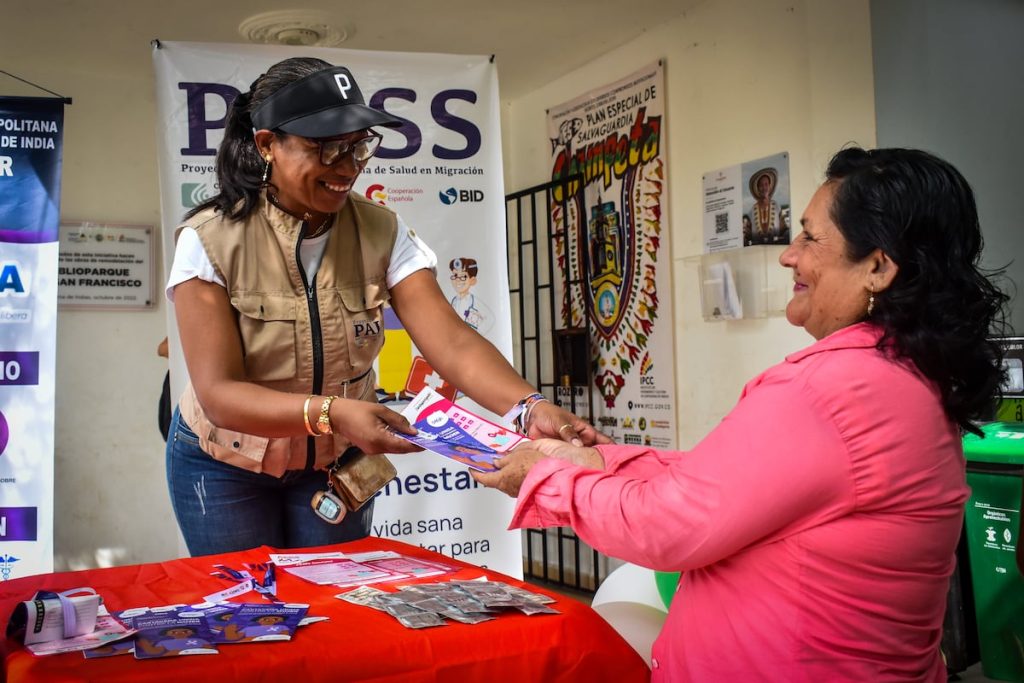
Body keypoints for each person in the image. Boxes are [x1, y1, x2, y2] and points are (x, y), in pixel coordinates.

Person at [475, 147, 1008, 681]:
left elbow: (670, 523)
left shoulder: (832, 389)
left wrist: (544, 478)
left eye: (810, 237)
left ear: (877, 266)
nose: (787, 255)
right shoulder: (902, 375)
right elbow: (721, 483)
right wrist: (594, 459)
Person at [165, 57, 606, 556]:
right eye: (327, 147)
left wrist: (529, 408)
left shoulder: (383, 232)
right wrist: (333, 413)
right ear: (268, 144)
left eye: (358, 147)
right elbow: (220, 394)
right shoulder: (209, 240)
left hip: (334, 469)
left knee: (334, 612)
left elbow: (453, 342)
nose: (348, 166)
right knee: (252, 615)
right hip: (226, 463)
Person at [748, 167, 784, 244]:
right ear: (757, 188)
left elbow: (783, 230)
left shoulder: (777, 206)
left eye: (766, 184)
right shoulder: (752, 211)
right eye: (761, 185)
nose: (764, 187)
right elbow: (749, 235)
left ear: (769, 186)